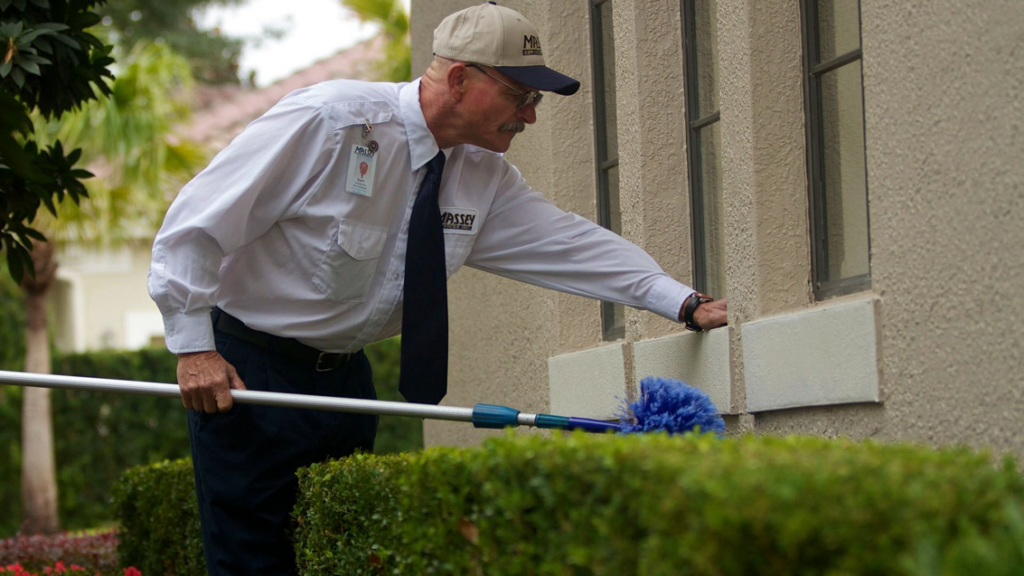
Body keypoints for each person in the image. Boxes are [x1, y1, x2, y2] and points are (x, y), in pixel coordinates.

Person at [148, 2, 728, 573]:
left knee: (334, 554)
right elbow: (197, 224)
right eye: (519, 96)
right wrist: (195, 347)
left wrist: (682, 301)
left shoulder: (482, 176)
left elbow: (571, 246)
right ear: (458, 79)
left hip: (347, 382)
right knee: (253, 560)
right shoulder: (331, 122)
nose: (529, 116)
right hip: (252, 375)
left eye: (535, 100)